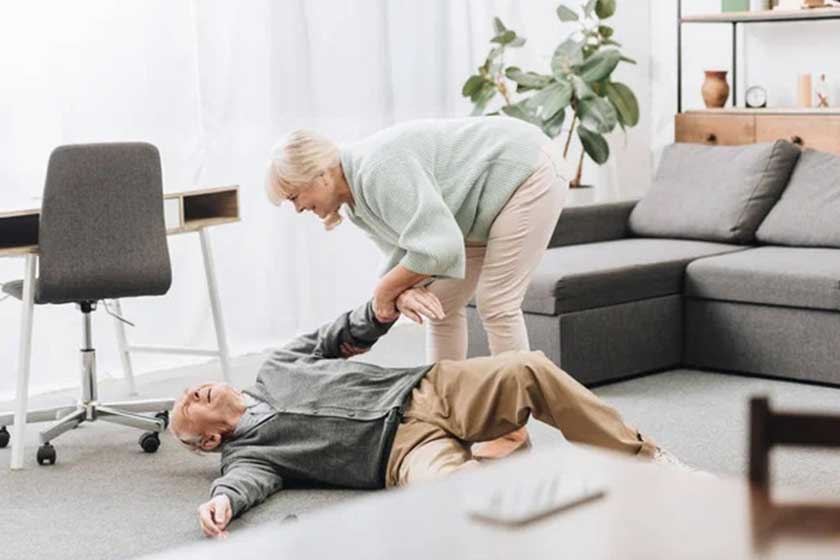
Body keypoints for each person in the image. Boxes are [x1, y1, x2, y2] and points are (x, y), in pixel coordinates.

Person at [170, 288, 688, 538]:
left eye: (194, 388)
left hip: (427, 390)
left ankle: (642, 463)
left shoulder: (276, 366)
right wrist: (222, 505)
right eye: (189, 405)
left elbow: (338, 333)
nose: (195, 390)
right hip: (402, 455)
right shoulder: (250, 455)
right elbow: (240, 485)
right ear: (211, 440)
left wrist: (380, 309)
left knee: (527, 367)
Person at [264, 117, 572, 459]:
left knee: (496, 303)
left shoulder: (377, 169)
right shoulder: (354, 205)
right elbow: (406, 258)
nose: (298, 208)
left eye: (295, 197)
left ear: (320, 175)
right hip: (469, 214)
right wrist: (402, 291)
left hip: (526, 172)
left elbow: (438, 249)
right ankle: (447, 417)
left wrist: (386, 292)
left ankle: (513, 430)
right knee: (440, 306)